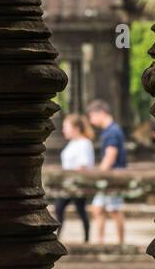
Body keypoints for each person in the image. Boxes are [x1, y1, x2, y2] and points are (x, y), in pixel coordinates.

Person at [86, 99, 127, 245]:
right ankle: (100, 242)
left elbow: (110, 156)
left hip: (112, 178)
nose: (91, 120)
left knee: (115, 211)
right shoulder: (110, 130)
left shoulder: (112, 131)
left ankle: (121, 244)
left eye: (92, 116)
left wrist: (99, 174)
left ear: (101, 113)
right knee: (97, 209)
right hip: (108, 178)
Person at [54, 113, 96, 242]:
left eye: (66, 127)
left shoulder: (84, 143)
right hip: (68, 183)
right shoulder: (72, 143)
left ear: (76, 128)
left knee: (77, 210)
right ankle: (59, 235)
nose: (63, 130)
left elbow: (83, 165)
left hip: (77, 183)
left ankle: (86, 238)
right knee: (61, 208)